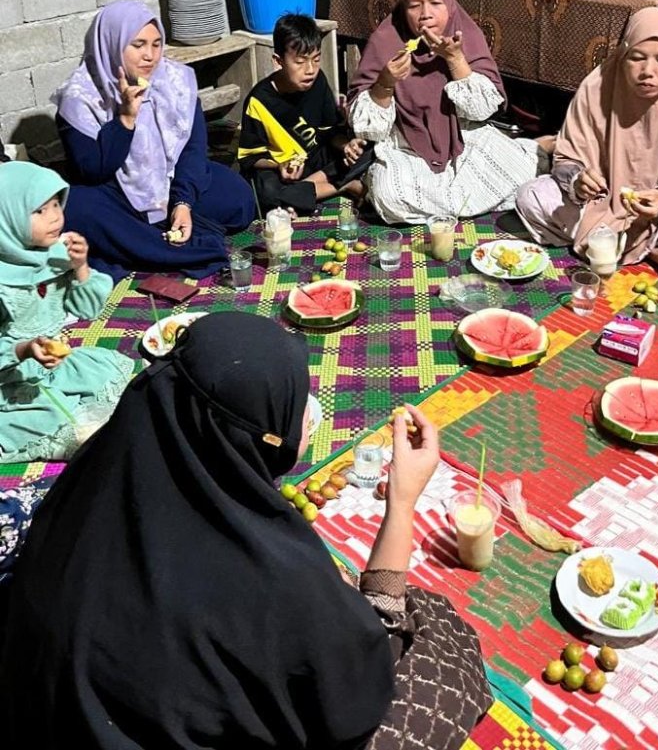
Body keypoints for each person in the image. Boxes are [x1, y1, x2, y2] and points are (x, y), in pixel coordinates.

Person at [0, 312, 493, 749]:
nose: (304, 416)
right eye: (293, 406)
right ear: (251, 438)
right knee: (441, 640)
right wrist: (402, 502)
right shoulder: (274, 583)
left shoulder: (97, 471)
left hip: (50, 711)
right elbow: (353, 693)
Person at [52, 0, 256, 282]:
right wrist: (125, 119)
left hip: (167, 184)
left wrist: (183, 202)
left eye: (156, 44)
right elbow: (93, 171)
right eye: (138, 45)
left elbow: (193, 150)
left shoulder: (176, 82)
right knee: (75, 207)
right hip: (116, 197)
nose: (150, 56)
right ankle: (186, 250)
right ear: (111, 44)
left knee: (239, 197)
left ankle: (143, 242)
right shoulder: (80, 99)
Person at [347, 0, 548, 225]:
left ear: (450, 4)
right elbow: (368, 129)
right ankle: (467, 202)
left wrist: (455, 59)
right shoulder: (386, 42)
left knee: (523, 171)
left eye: (435, 3)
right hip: (408, 148)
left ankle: (451, 200)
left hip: (466, 140)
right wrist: (385, 84)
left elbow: (483, 111)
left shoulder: (465, 34)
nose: (425, 15)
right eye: (414, 6)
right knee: (390, 196)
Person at [516, 6, 658, 278]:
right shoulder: (597, 88)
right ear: (622, 54)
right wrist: (578, 180)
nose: (648, 71)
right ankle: (652, 249)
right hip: (600, 205)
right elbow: (567, 157)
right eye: (636, 57)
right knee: (531, 196)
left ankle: (649, 242)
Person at [0, 161, 133, 464]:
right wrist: (24, 349)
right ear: (7, 219)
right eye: (39, 211)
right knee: (53, 420)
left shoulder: (53, 256)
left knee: (106, 376)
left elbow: (88, 309)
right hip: (9, 381)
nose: (55, 217)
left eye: (56, 204)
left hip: (51, 364)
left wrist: (80, 267)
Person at [238, 13, 373, 215]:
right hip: (284, 171)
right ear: (278, 61)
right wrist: (279, 165)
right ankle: (343, 185)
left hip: (316, 161)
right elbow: (250, 158)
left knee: (370, 148)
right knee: (265, 191)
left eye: (316, 60)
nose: (310, 70)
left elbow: (330, 132)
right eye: (300, 62)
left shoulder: (318, 81)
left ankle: (296, 196)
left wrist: (346, 146)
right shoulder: (258, 101)